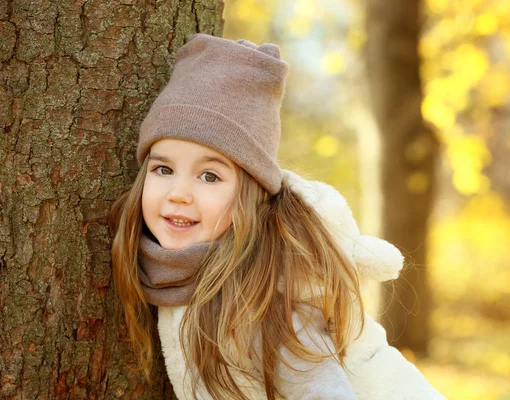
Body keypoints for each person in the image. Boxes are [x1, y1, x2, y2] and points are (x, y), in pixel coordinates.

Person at [110, 33, 445, 400]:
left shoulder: (271, 296)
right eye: (163, 169)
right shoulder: (173, 270)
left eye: (210, 176)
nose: (178, 193)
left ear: (251, 194)